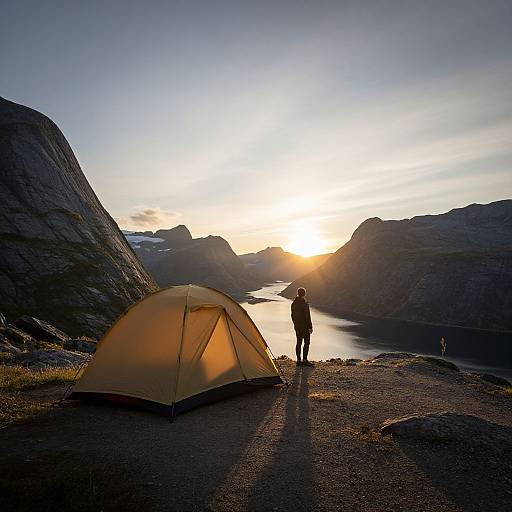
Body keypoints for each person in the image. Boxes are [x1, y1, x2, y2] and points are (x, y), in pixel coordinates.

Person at [291, 287, 313, 366]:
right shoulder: (305, 304)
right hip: (305, 327)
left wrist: (295, 324)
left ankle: (298, 360)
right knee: (306, 342)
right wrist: (310, 327)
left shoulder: (293, 304)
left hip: (297, 327)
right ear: (304, 294)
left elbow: (292, 316)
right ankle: (305, 360)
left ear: (298, 293)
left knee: (298, 342)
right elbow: (307, 316)